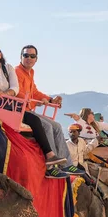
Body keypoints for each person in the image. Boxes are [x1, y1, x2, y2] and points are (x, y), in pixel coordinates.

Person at [0, 42, 68, 178]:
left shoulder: (8, 69)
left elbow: (16, 89)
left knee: (40, 121)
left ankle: (52, 156)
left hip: (10, 105)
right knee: (46, 125)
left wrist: (4, 94)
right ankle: (51, 162)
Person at [15, 44, 78, 172]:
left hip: (28, 109)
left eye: (32, 56)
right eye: (26, 55)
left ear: (36, 59)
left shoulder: (30, 73)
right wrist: (36, 102)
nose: (29, 58)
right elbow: (18, 93)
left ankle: (66, 164)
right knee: (47, 126)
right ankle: (52, 166)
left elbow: (35, 92)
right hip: (20, 110)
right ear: (20, 57)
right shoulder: (17, 71)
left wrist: (50, 99)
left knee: (57, 126)